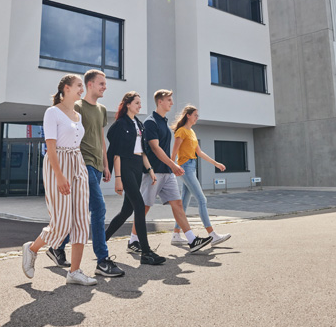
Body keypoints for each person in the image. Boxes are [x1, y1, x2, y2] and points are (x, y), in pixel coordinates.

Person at [46, 70, 125, 278]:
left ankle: (56, 246)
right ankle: (102, 260)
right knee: (98, 208)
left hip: (97, 166)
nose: (105, 87)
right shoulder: (77, 106)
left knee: (79, 212)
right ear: (90, 84)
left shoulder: (101, 109)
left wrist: (106, 165)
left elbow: (100, 139)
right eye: (101, 83)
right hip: (83, 164)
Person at [22, 74, 97, 286]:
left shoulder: (77, 115)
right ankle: (32, 249)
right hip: (59, 164)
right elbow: (51, 147)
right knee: (61, 222)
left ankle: (75, 272)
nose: (82, 89)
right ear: (66, 88)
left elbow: (77, 143)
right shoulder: (52, 112)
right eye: (79, 86)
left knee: (82, 220)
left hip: (77, 163)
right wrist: (60, 175)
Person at [127, 90, 212, 254]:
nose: (172, 103)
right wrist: (173, 164)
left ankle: (192, 240)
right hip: (154, 172)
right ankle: (133, 240)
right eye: (169, 100)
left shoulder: (163, 122)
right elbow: (155, 148)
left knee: (178, 204)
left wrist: (171, 167)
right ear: (160, 102)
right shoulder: (151, 122)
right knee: (144, 207)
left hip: (167, 172)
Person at [103, 92, 166, 266]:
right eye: (137, 103)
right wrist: (118, 178)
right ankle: (146, 252)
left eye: (140, 103)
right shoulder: (120, 125)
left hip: (138, 166)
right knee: (139, 205)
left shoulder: (139, 124)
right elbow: (116, 153)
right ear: (128, 104)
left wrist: (150, 170)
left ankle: (102, 240)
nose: (140, 106)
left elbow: (143, 151)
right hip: (125, 166)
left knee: (126, 211)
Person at [170, 105, 231, 247]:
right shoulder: (181, 131)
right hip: (185, 168)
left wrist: (216, 163)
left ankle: (176, 234)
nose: (197, 117)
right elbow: (174, 152)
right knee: (202, 199)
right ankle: (212, 235)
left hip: (192, 167)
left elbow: (200, 152)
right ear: (188, 115)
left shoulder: (191, 132)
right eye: (195, 115)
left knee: (183, 203)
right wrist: (173, 166)